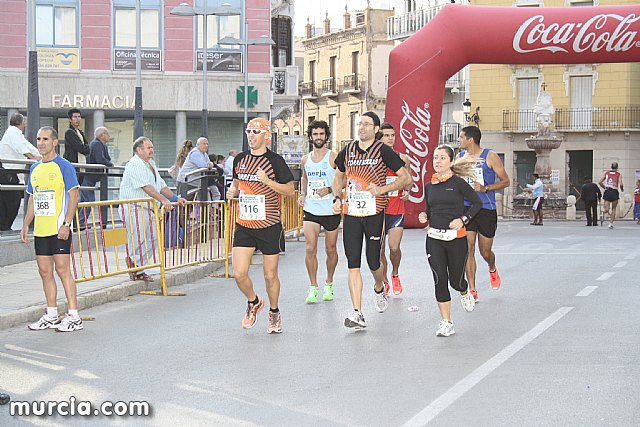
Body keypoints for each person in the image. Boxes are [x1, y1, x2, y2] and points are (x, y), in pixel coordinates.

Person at [332, 111, 411, 329]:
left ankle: (379, 286)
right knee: (353, 263)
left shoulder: (383, 151)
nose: (362, 127)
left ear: (376, 129)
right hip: (352, 215)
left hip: (375, 213)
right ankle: (357, 312)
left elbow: (406, 178)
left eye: (367, 124)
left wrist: (382, 189)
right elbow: (338, 175)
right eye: (360, 124)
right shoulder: (347, 150)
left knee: (373, 260)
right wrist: (337, 197)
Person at [226, 118, 294, 334]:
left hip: (269, 225)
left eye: (256, 131)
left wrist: (268, 182)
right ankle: (253, 301)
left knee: (270, 275)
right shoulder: (240, 159)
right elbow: (237, 182)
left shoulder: (275, 161)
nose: (251, 135)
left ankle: (274, 312)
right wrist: (232, 191)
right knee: (238, 273)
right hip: (245, 224)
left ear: (267, 136)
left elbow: (290, 190)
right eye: (248, 131)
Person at [20, 127, 83, 332]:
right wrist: (26, 224)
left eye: (45, 139)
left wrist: (66, 223)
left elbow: (74, 196)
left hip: (59, 229)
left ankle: (74, 315)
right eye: (38, 139)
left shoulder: (64, 166)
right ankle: (52, 314)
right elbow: (32, 199)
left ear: (55, 142)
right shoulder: (35, 168)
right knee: (44, 271)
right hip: (41, 230)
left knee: (63, 270)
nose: (41, 142)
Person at [418, 145, 482, 337]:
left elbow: (477, 203)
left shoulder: (458, 183)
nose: (437, 162)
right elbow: (429, 208)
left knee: (455, 280)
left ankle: (464, 291)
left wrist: (463, 220)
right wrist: (424, 215)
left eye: (442, 158)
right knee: (440, 279)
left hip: (456, 238)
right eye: (435, 158)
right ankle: (446, 322)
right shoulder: (429, 185)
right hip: (434, 238)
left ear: (451, 161)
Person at [119, 137, 186, 281]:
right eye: (148, 148)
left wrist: (175, 198)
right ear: (139, 150)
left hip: (148, 208)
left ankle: (138, 265)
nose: (152, 150)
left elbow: (160, 185)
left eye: (152, 147)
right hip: (134, 207)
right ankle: (135, 267)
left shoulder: (151, 164)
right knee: (138, 239)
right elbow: (146, 186)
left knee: (154, 238)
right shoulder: (135, 164)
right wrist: (163, 200)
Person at [457, 125, 510, 302]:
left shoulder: (490, 156)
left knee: (485, 251)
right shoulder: (460, 157)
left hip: (486, 208)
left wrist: (485, 187)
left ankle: (492, 267)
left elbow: (505, 181)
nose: (459, 140)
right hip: (467, 208)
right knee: (468, 248)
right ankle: (472, 289)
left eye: (461, 137)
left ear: (470, 139)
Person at [298, 120, 340, 303]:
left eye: (322, 134)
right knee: (310, 247)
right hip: (312, 208)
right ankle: (313, 286)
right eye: (315, 134)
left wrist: (330, 190)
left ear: (327, 137)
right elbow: (304, 178)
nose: (319, 137)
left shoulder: (333, 158)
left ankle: (329, 282)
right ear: (310, 137)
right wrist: (302, 194)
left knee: (331, 249)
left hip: (330, 210)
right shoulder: (305, 159)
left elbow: (343, 180)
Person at [379, 122, 412, 296]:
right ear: (380, 137)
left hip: (396, 210)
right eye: (386, 135)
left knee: (394, 248)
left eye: (392, 135)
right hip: (378, 210)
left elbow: (410, 180)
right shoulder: (375, 160)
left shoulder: (403, 158)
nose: (390, 138)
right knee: (379, 250)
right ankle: (384, 281)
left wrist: (406, 191)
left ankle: (395, 273)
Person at [0, 113, 41, 231]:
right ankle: (4, 226)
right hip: (8, 171)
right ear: (21, 123)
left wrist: (41, 155)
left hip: (11, 172)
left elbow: (27, 146)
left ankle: (5, 226)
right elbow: (21, 147)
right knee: (11, 200)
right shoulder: (13, 132)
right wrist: (33, 157)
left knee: (11, 199)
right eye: (24, 122)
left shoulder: (16, 134)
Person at [78, 126, 113, 228]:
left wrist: (108, 162)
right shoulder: (96, 144)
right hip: (89, 176)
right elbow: (101, 159)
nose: (109, 136)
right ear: (102, 135)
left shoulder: (102, 145)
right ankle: (79, 223)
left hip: (92, 176)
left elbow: (107, 158)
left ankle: (79, 222)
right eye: (107, 134)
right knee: (88, 200)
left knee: (85, 200)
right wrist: (110, 164)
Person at [176, 137, 220, 201]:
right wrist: (209, 164)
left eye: (207, 144)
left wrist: (210, 164)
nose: (206, 146)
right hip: (185, 181)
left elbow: (208, 164)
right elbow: (203, 165)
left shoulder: (204, 154)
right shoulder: (195, 153)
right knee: (182, 204)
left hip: (194, 182)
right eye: (204, 144)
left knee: (189, 205)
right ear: (198, 145)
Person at [63, 108, 90, 181]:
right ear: (70, 119)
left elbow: (87, 148)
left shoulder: (80, 132)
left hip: (81, 165)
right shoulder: (69, 132)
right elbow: (81, 148)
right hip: (73, 165)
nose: (77, 119)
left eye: (79, 117)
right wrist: (85, 148)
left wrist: (85, 148)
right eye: (75, 117)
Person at [599, 162, 624, 229]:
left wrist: (604, 187)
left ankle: (604, 212)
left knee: (607, 208)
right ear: (617, 167)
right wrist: (622, 189)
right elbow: (621, 184)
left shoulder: (607, 173)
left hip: (607, 191)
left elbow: (600, 182)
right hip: (614, 191)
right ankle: (610, 223)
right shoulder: (618, 174)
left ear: (611, 167)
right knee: (613, 208)